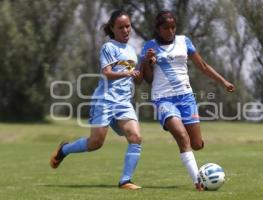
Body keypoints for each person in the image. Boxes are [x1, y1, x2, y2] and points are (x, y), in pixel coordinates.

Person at [140, 10, 235, 191]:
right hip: (163, 99)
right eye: (166, 28)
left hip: (186, 98)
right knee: (182, 137)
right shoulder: (149, 47)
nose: (170, 31)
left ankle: (194, 153)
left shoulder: (184, 42)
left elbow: (203, 66)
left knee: (196, 144)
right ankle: (198, 181)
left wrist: (224, 81)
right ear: (158, 29)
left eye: (173, 27)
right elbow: (148, 79)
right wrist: (147, 62)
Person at [50, 10, 143, 190]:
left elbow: (137, 80)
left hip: (123, 103)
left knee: (136, 137)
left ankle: (125, 180)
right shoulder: (109, 47)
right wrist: (128, 72)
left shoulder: (132, 51)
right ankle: (64, 150)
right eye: (121, 27)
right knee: (95, 143)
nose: (126, 30)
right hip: (105, 100)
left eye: (128, 26)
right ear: (113, 29)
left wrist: (144, 68)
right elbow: (106, 73)